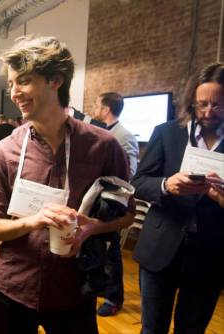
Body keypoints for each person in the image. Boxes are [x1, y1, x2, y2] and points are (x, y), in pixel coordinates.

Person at [0, 36, 134, 334]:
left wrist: (92, 226)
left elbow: (127, 214)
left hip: (74, 291)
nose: (14, 93)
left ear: (56, 80)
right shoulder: (6, 150)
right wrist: (34, 221)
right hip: (14, 289)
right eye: (11, 83)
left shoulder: (102, 147)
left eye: (23, 81)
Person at [132, 63, 224, 334]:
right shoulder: (167, 132)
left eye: (217, 105)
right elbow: (138, 183)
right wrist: (166, 184)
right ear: (191, 102)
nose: (208, 112)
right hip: (161, 248)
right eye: (202, 104)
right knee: (152, 329)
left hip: (210, 254)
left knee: (192, 329)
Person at [92, 92, 139, 316]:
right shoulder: (102, 131)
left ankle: (114, 298)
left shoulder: (124, 135)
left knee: (112, 253)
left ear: (106, 109)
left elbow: (129, 172)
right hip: (96, 200)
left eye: (97, 105)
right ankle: (102, 287)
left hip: (112, 203)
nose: (94, 108)